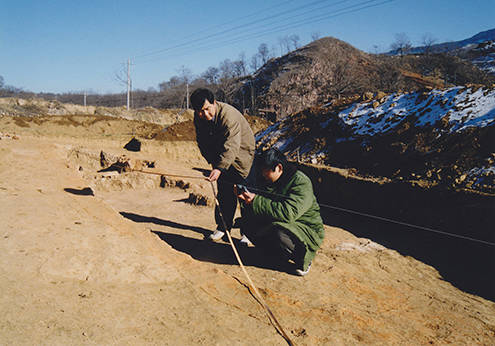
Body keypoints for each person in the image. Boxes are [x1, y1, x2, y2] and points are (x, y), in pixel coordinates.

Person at [237, 148, 325, 276]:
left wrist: (255, 200)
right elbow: (264, 206)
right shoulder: (268, 179)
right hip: (282, 222)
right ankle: (274, 255)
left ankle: (303, 258)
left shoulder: (300, 182)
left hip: (306, 229)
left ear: (278, 167)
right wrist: (247, 200)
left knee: (279, 235)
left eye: (265, 170)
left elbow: (288, 213)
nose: (262, 174)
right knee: (248, 224)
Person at [190, 88, 255, 242]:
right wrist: (213, 162)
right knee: (224, 195)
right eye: (200, 111)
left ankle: (248, 233)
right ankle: (223, 227)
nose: (205, 114)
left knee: (245, 194)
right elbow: (203, 141)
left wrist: (219, 167)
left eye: (207, 109)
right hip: (222, 159)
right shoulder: (198, 118)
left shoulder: (228, 115)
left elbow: (232, 144)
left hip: (242, 156)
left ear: (214, 103)